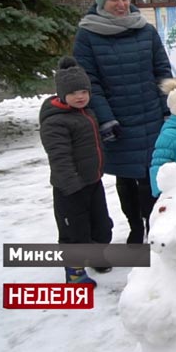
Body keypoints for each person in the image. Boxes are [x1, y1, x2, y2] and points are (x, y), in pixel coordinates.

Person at [74, 0, 172, 244]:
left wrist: (167, 109)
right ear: (101, 2)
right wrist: (106, 118)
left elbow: (162, 71)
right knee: (126, 179)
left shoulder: (145, 29)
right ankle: (135, 228)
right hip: (117, 121)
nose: (121, 4)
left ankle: (153, 226)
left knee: (150, 178)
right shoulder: (88, 35)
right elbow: (89, 81)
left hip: (151, 115)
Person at [39, 56, 113, 286]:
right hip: (70, 188)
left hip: (92, 181)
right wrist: (71, 184)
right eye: (73, 93)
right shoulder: (55, 121)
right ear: (62, 94)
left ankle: (96, 255)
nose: (80, 96)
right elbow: (59, 157)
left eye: (84, 91)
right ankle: (74, 272)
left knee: (101, 224)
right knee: (74, 231)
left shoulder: (86, 113)